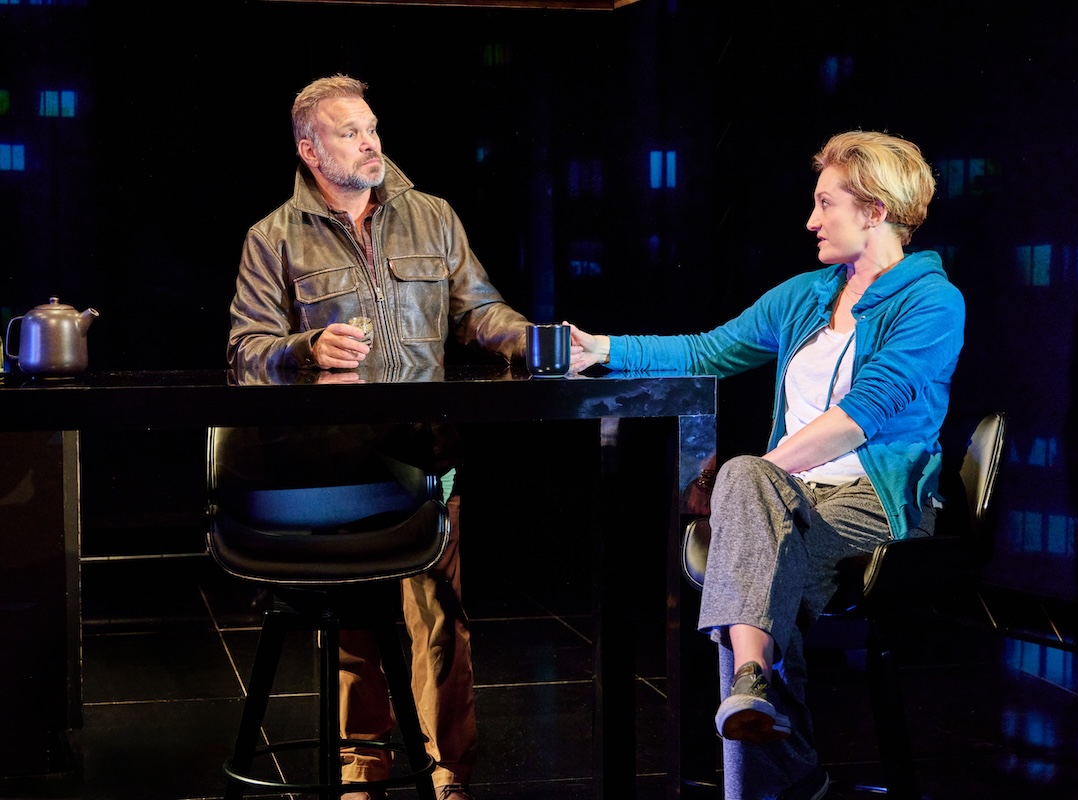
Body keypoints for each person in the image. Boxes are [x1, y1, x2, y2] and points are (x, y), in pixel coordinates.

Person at [570, 130, 964, 800]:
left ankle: (782, 759)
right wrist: (601, 346)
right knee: (754, 562)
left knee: (746, 557)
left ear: (875, 210)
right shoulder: (806, 294)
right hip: (795, 495)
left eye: (825, 204)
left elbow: (859, 417)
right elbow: (708, 351)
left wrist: (756, 477)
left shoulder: (931, 301)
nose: (811, 221)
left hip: (878, 496)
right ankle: (759, 700)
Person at [228, 74, 531, 800]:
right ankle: (361, 766)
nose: (371, 142)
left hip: (427, 452)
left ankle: (450, 769)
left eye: (371, 127)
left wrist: (536, 341)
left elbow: (479, 312)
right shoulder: (273, 237)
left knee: (443, 623)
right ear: (309, 148)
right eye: (350, 132)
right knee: (355, 617)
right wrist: (303, 350)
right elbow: (244, 350)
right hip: (330, 466)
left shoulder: (432, 216)